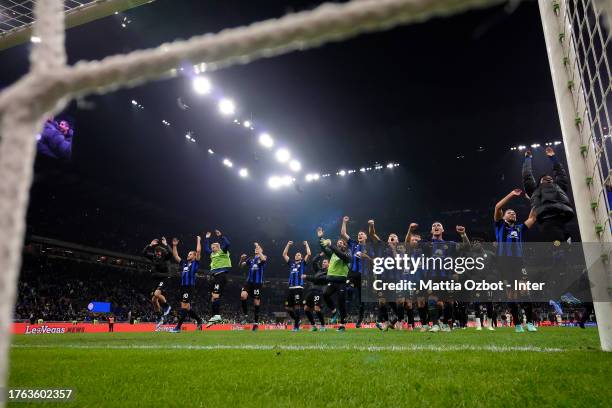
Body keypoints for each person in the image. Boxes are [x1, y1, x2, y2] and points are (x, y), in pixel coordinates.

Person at [493, 189, 537, 333]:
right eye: (509, 212)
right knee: (511, 293)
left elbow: (533, 217)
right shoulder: (499, 225)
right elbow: (498, 207)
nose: (512, 213)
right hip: (504, 263)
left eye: (514, 213)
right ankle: (517, 324)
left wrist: (534, 199)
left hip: (519, 262)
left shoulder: (519, 228)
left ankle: (530, 323)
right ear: (504, 216)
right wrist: (511, 195)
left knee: (525, 289)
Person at [522, 146, 575, 243]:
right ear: (540, 182)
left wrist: (553, 158)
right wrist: (527, 159)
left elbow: (560, 173)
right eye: (544, 178)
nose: (548, 178)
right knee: (559, 249)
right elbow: (527, 175)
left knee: (568, 247)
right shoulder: (535, 190)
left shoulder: (559, 187)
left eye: (550, 178)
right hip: (548, 220)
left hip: (563, 218)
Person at [340, 216, 374, 328]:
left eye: (362, 234)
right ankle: (346, 314)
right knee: (347, 289)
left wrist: (365, 256)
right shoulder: (354, 244)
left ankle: (359, 319)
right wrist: (344, 222)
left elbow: (374, 261)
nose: (359, 235)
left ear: (366, 237)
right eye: (359, 234)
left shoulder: (369, 247)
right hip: (353, 273)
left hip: (364, 275)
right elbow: (343, 233)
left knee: (361, 299)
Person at [318, 227, 351, 332]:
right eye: (338, 242)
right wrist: (320, 238)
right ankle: (334, 311)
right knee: (325, 294)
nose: (339, 243)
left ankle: (342, 324)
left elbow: (342, 256)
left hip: (341, 282)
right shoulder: (332, 254)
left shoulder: (348, 253)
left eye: (341, 242)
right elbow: (324, 248)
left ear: (345, 245)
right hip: (332, 281)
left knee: (341, 302)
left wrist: (331, 245)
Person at [170, 236, 203, 333]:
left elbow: (199, 251)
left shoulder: (195, 263)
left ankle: (178, 327)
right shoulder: (184, 263)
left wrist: (198, 240)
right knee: (187, 308)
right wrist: (174, 245)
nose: (188, 255)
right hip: (183, 287)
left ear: (194, 256)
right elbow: (176, 256)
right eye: (188, 254)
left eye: (190, 254)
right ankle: (199, 320)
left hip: (189, 287)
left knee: (184, 307)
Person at [142, 237, 172, 329]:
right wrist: (150, 245)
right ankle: (160, 318)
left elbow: (170, 253)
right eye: (156, 252)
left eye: (159, 252)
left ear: (162, 253)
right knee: (154, 300)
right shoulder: (154, 257)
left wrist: (166, 244)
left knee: (156, 294)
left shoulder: (165, 257)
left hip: (163, 278)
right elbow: (144, 253)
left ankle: (167, 306)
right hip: (155, 280)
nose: (158, 253)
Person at [282, 240, 311, 331]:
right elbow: (284, 254)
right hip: (291, 288)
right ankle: (297, 320)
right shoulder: (291, 263)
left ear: (301, 257)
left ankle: (296, 327)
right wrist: (288, 244)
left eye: (299, 254)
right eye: (296, 254)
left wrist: (306, 244)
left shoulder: (303, 263)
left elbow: (309, 254)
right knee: (287, 307)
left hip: (298, 287)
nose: (296, 255)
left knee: (297, 306)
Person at [205, 230, 232, 327]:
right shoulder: (212, 254)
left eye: (213, 247)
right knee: (213, 297)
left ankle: (217, 315)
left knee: (215, 296)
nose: (211, 248)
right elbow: (206, 249)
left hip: (221, 275)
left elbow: (228, 243)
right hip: (215, 277)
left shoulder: (223, 251)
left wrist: (221, 236)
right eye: (211, 247)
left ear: (218, 247)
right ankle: (214, 316)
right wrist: (207, 238)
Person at [239, 243, 267, 331]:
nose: (256, 249)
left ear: (261, 250)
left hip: (257, 284)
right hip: (249, 282)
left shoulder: (263, 257)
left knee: (256, 303)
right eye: (255, 248)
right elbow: (241, 266)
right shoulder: (250, 259)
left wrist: (260, 250)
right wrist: (241, 259)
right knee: (243, 296)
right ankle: (246, 315)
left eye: (258, 248)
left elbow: (263, 260)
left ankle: (255, 323)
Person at [302, 252, 329, 331]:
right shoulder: (319, 270)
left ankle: (323, 326)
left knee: (316, 308)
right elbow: (314, 261)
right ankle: (313, 326)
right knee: (306, 308)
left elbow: (317, 279)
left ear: (329, 264)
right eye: (323, 262)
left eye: (325, 262)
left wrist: (306, 276)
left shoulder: (329, 272)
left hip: (319, 291)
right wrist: (319, 255)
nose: (323, 263)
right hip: (311, 290)